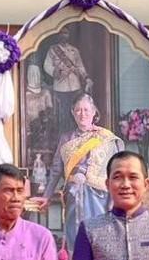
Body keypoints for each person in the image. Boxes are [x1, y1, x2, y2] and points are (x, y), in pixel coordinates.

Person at [43, 94, 121, 247]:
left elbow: (115, 172)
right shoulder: (66, 138)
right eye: (78, 110)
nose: (82, 114)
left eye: (86, 110)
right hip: (73, 194)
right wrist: (46, 196)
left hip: (99, 196)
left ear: (94, 112)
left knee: (98, 236)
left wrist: (114, 201)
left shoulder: (105, 137)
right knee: (75, 237)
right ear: (73, 112)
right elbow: (56, 169)